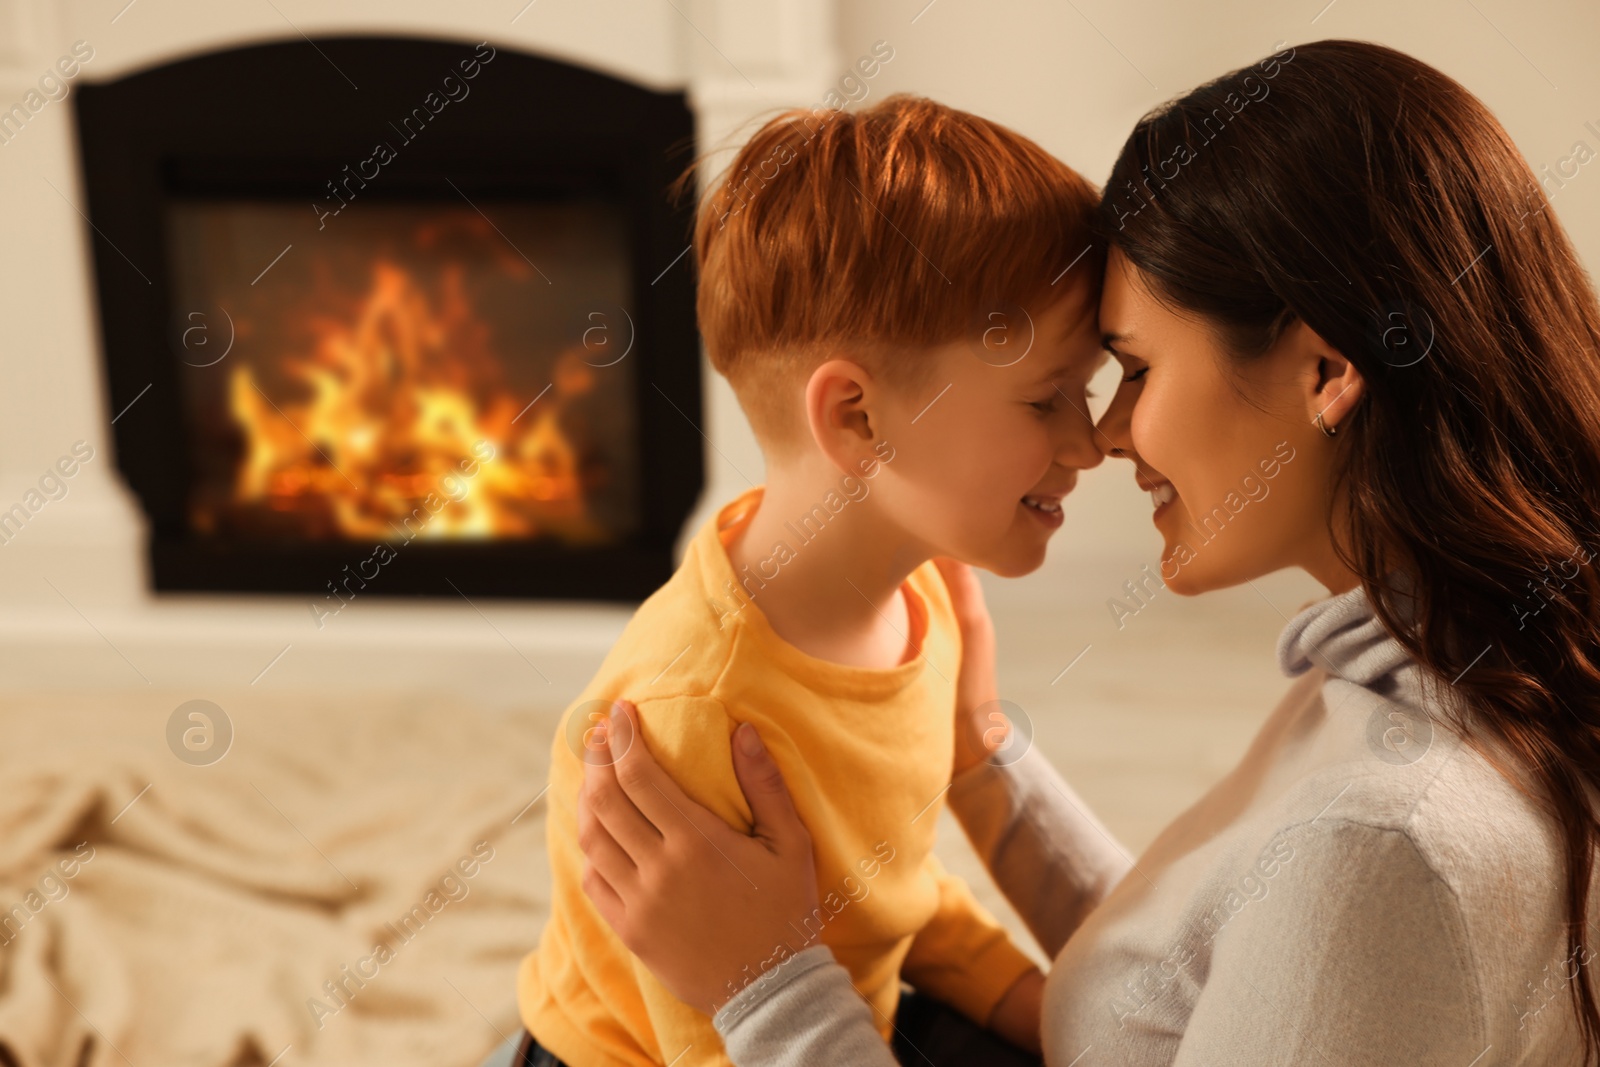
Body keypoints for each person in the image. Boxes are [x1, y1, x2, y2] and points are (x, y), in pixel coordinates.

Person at [572, 39, 1600, 1066]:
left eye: (1132, 371)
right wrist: (984, 759)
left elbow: (1318, 930)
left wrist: (768, 985)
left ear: (1327, 369)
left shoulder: (1385, 844)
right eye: (1059, 391)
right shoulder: (1464, 665)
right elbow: (1203, 982)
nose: (1103, 438)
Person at [515, 94, 1115, 1066]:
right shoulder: (694, 716)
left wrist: (1037, 1007)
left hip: (817, 1001)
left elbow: (885, 894)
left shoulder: (925, 603)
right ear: (858, 419)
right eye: (1048, 397)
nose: (1090, 444)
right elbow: (717, 1026)